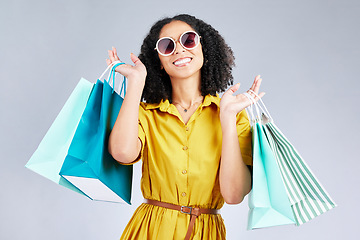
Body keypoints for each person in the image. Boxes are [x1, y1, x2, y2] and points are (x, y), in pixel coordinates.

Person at [106, 14, 264, 240]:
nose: (179, 49)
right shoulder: (147, 113)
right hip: (151, 231)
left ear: (204, 49)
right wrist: (136, 83)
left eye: (188, 40)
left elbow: (234, 194)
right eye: (167, 46)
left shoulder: (233, 116)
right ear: (159, 62)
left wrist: (227, 118)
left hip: (206, 233)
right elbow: (122, 152)